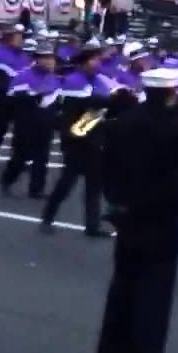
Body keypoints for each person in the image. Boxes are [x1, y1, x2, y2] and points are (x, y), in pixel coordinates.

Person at [96, 68, 178, 353]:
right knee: (153, 304)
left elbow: (107, 172)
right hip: (162, 225)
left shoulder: (121, 122)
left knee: (122, 293)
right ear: (171, 93)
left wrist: (121, 204)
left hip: (127, 221)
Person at [42, 43, 123, 237]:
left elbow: (107, 105)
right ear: (82, 64)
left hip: (95, 138)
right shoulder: (73, 81)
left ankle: (92, 226)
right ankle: (48, 216)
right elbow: (87, 104)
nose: (96, 63)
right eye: (92, 60)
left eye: (97, 59)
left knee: (94, 184)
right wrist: (114, 101)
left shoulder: (99, 81)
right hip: (75, 139)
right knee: (67, 183)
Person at [0, 43, 61, 199]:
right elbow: (12, 96)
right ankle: (7, 179)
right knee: (20, 157)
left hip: (46, 124)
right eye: (46, 58)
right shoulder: (24, 75)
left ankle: (36, 189)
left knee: (42, 157)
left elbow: (57, 99)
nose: (50, 62)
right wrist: (33, 97)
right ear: (37, 59)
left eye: (51, 58)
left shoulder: (54, 77)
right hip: (26, 124)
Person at [0, 25, 29, 167]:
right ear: (9, 38)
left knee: (21, 129)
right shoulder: (1, 54)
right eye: (18, 36)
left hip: (21, 97)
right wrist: (3, 93)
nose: (21, 39)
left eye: (21, 36)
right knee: (1, 125)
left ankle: (18, 158)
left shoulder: (24, 55)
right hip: (5, 97)